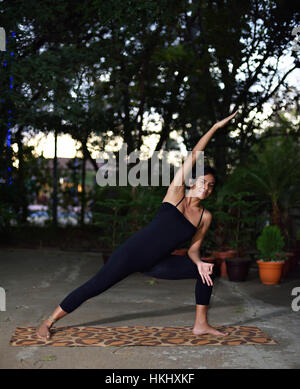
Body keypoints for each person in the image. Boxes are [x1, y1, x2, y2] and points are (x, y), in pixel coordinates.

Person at [37, 111, 238, 340]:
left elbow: (193, 249)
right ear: (192, 180)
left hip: (158, 262)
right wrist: (214, 128)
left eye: (211, 186)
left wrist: (200, 263)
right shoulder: (176, 194)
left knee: (206, 274)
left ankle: (201, 324)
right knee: (95, 286)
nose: (206, 188)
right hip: (132, 254)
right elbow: (194, 154)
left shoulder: (205, 216)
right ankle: (48, 321)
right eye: (203, 182)